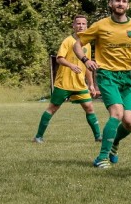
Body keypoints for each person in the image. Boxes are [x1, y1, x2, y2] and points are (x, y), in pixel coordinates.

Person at [72, 0, 131, 169]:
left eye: (124, 1)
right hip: (106, 75)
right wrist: (86, 60)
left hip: (125, 77)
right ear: (110, 4)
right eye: (117, 1)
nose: (121, 3)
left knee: (129, 122)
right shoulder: (100, 25)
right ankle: (102, 157)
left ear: (128, 5)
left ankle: (113, 145)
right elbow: (77, 44)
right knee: (117, 114)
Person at [33, 15, 101, 143]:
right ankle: (38, 137)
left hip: (80, 84)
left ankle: (98, 137)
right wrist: (71, 65)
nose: (81, 26)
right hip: (64, 83)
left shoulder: (87, 44)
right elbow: (59, 58)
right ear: (73, 26)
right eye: (78, 23)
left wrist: (91, 84)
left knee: (90, 108)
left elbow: (88, 67)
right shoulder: (68, 41)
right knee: (52, 109)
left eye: (83, 24)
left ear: (87, 26)